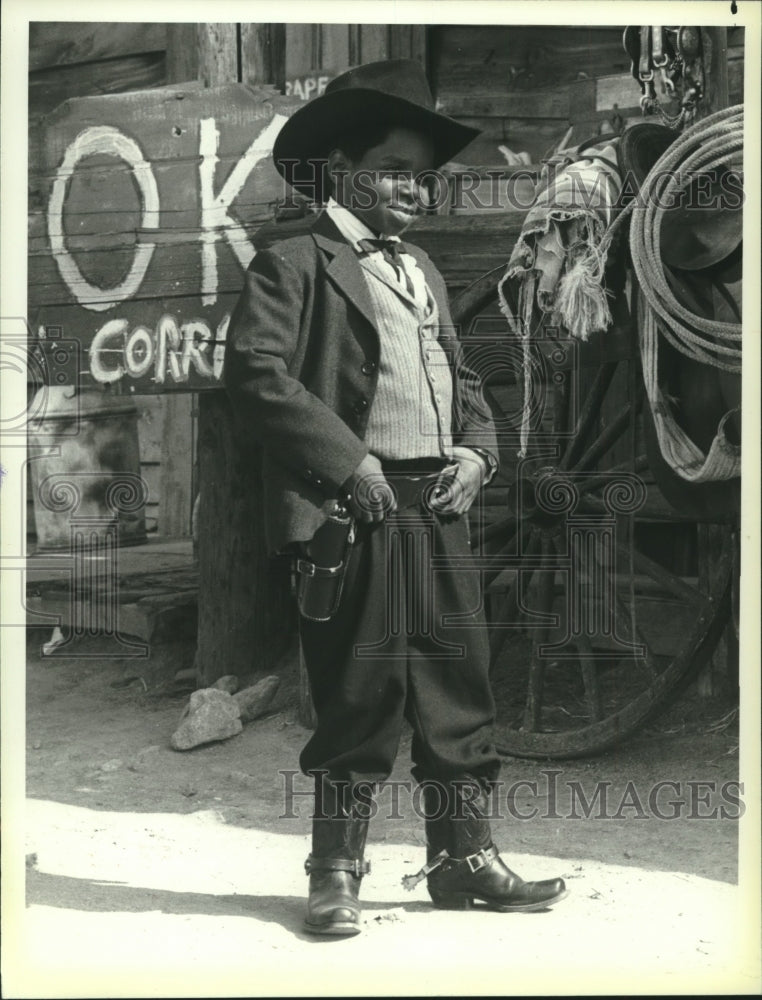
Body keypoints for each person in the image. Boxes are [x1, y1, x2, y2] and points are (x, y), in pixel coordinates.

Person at [224, 59, 567, 937]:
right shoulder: (294, 261)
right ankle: (335, 871)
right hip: (355, 511)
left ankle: (463, 860)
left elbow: (455, 374)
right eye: (395, 169)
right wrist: (350, 465)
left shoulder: (418, 268)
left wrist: (480, 454)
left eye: (424, 174)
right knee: (361, 692)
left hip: (438, 505)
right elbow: (257, 377)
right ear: (343, 170)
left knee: (459, 686)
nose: (415, 189)